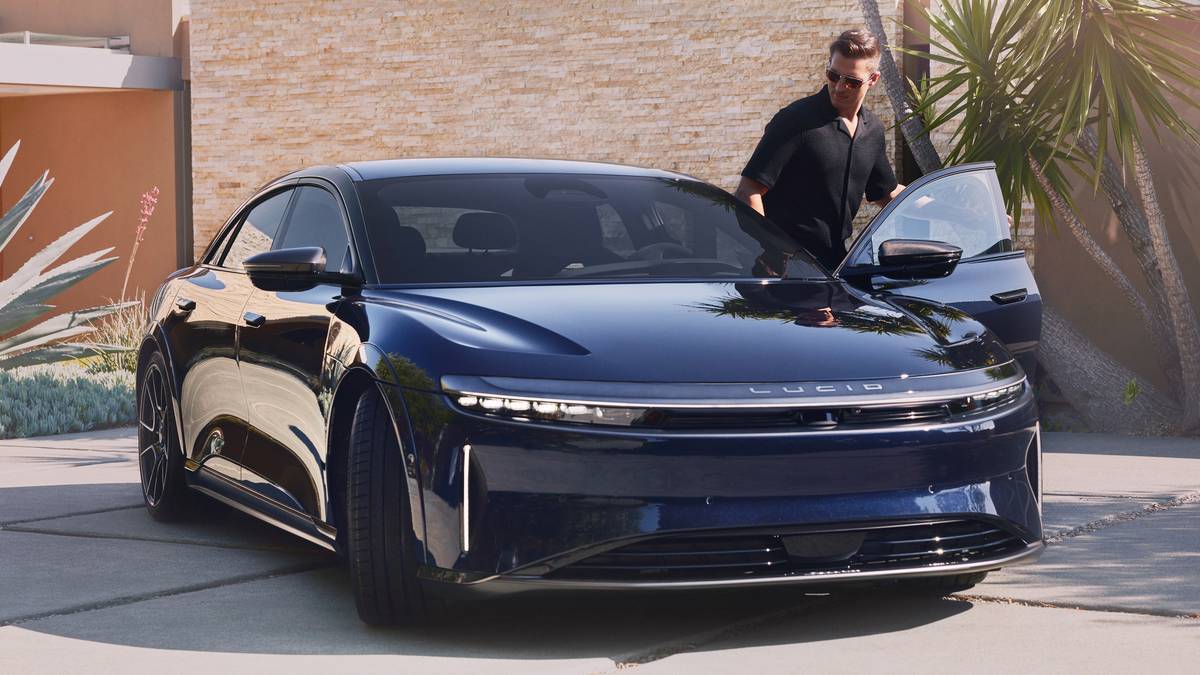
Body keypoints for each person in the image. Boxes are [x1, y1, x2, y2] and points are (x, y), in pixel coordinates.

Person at [736, 28, 905, 271]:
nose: (839, 87)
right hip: (783, 270)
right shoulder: (795, 121)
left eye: (852, 81)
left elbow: (885, 192)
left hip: (835, 268)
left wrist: (945, 206)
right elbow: (748, 191)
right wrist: (772, 252)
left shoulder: (873, 130)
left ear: (873, 80)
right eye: (833, 75)